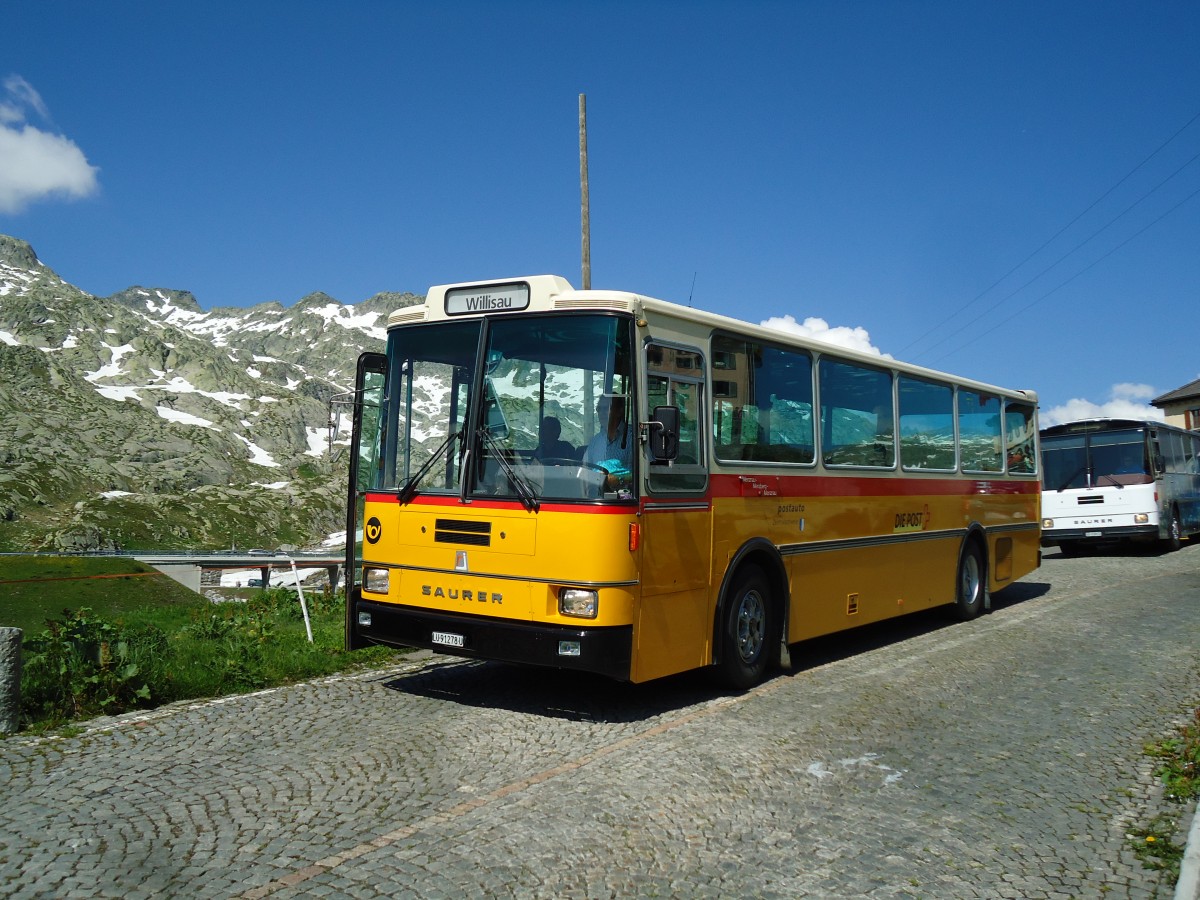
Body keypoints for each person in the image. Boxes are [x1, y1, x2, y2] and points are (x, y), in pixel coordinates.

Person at [583, 395, 633, 489]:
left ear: (619, 411)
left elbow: (645, 473)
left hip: (626, 495)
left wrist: (617, 478)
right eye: (599, 409)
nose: (601, 413)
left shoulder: (633, 437)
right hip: (595, 494)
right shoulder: (595, 441)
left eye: (606, 408)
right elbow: (585, 470)